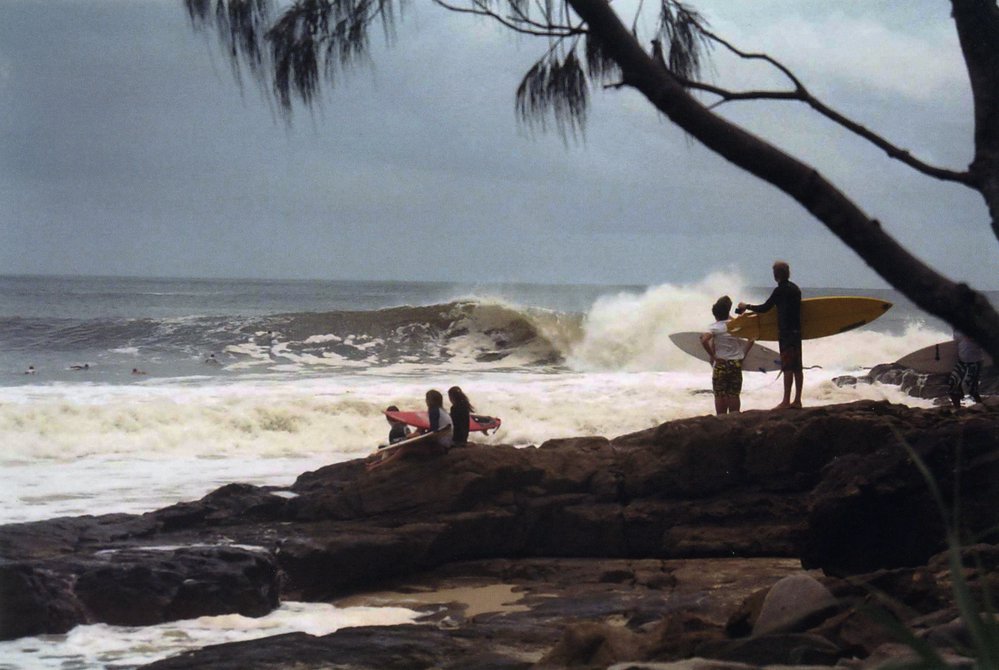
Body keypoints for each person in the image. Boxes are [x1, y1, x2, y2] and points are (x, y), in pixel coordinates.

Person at [738, 260, 803, 409]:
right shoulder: (796, 289)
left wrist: (746, 306)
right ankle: (797, 400)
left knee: (787, 367)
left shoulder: (779, 291)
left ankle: (786, 401)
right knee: (797, 367)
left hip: (786, 333)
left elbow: (765, 308)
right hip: (797, 332)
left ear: (776, 275)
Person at [367, 390, 452, 471]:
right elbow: (434, 430)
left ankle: (378, 466)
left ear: (430, 400)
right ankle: (377, 463)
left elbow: (434, 431)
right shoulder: (442, 411)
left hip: (439, 448)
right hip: (444, 446)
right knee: (404, 446)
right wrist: (418, 433)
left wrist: (418, 435)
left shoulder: (434, 410)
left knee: (405, 449)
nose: (425, 401)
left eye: (426, 399)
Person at [700, 296, 755, 415]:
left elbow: (704, 340)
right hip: (735, 363)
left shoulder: (714, 327)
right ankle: (734, 417)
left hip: (721, 364)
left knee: (720, 394)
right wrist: (743, 354)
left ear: (715, 315)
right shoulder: (736, 326)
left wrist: (713, 356)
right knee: (734, 394)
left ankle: (721, 419)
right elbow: (752, 338)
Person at [949, 329, 985, 408]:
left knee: (971, 387)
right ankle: (958, 409)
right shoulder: (956, 331)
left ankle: (980, 405)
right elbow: (955, 345)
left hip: (975, 362)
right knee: (953, 384)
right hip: (962, 362)